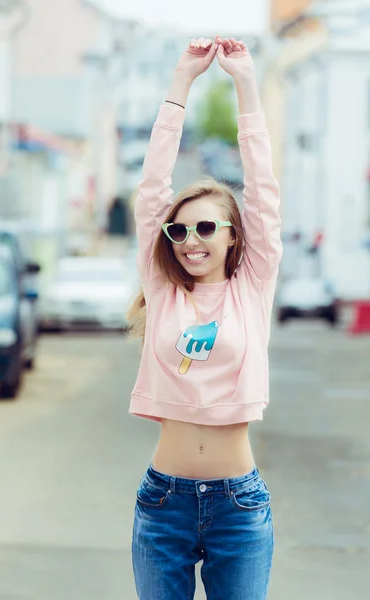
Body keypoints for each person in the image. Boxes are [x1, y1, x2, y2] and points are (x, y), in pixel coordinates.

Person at [127, 35, 283, 600]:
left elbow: (263, 191)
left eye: (206, 227)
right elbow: (151, 193)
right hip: (162, 502)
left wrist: (244, 82)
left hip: (237, 506)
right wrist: (180, 83)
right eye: (179, 229)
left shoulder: (252, 286)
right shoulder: (164, 290)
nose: (191, 240)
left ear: (233, 234)